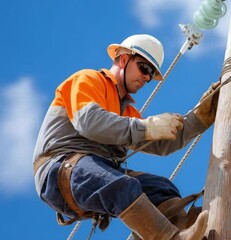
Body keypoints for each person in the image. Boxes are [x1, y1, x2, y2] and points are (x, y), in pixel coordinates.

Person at [32, 34, 220, 240]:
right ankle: (172, 239)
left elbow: (162, 143)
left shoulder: (127, 113)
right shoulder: (88, 80)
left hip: (91, 172)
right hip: (60, 170)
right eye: (144, 69)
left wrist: (199, 119)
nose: (147, 78)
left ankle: (185, 231)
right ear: (123, 59)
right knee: (123, 186)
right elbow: (89, 122)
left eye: (151, 74)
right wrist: (146, 126)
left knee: (161, 189)